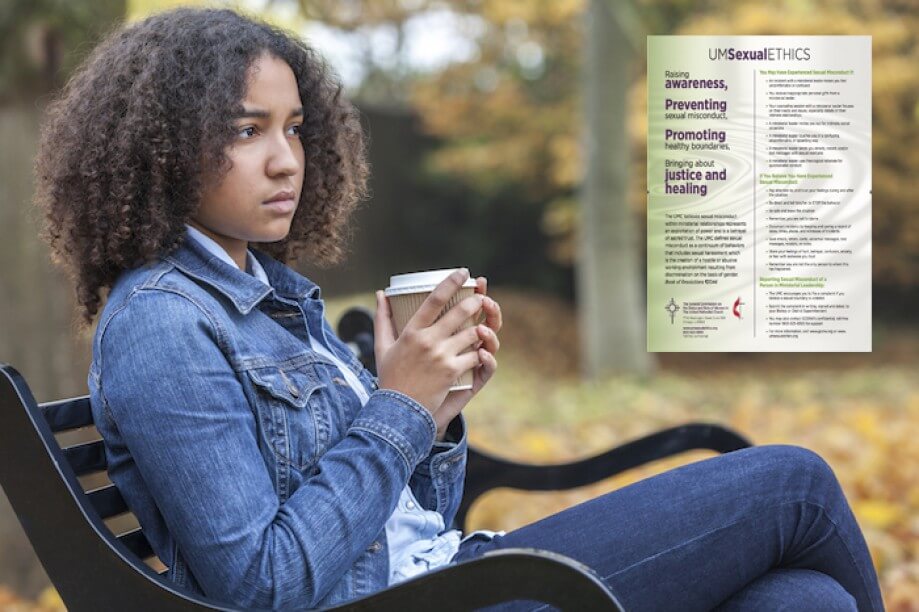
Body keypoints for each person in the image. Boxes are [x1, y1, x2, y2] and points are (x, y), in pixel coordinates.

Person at [32, 7, 885, 611]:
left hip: (447, 577)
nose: (286, 160)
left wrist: (435, 416)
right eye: (248, 130)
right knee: (794, 483)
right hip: (440, 600)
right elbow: (264, 584)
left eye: (295, 128)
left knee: (799, 599)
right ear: (164, 146)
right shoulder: (162, 322)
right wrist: (398, 406)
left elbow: (404, 527)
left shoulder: (272, 302)